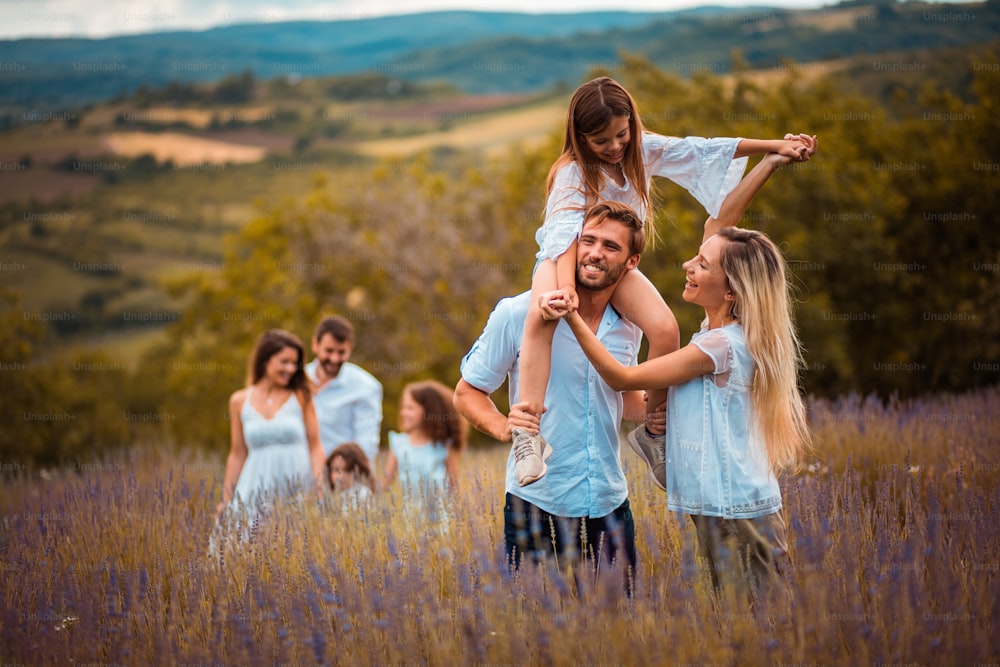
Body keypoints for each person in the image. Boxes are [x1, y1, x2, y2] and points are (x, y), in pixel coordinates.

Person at [513, 75, 815, 487]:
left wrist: (773, 147)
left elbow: (700, 149)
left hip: (613, 264)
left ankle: (654, 431)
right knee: (541, 312)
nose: (615, 146)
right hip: (565, 257)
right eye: (602, 141)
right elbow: (563, 234)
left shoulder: (640, 150)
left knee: (665, 327)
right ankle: (527, 434)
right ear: (581, 138)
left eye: (621, 134)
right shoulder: (572, 172)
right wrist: (566, 287)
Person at [552, 148, 814, 599]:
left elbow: (622, 377)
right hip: (722, 506)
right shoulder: (719, 331)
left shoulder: (719, 345)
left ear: (729, 291)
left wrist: (570, 313)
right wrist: (769, 162)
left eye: (702, 265)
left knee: (762, 621)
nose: (687, 266)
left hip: (736, 510)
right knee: (737, 618)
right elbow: (721, 222)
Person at [455, 200, 652, 593]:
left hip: (609, 502)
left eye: (611, 246)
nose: (595, 252)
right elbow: (467, 392)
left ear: (632, 262)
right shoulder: (516, 313)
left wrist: (667, 403)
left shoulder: (630, 324)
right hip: (536, 501)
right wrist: (504, 427)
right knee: (537, 633)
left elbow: (622, 400)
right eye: (588, 241)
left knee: (621, 627)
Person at [217, 329, 326, 520]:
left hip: (297, 488)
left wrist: (317, 488)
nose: (291, 369)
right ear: (265, 360)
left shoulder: (301, 397)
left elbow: (315, 446)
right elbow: (237, 454)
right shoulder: (239, 401)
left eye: (295, 363)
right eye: (284, 362)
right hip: (253, 486)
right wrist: (226, 500)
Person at [305, 316, 383, 466]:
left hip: (341, 477)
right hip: (297, 475)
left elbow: (366, 443)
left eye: (341, 352)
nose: (334, 359)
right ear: (315, 345)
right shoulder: (298, 380)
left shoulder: (365, 386)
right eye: (329, 351)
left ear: (350, 349)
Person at [381, 380, 466, 499]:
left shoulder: (444, 446)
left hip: (440, 515)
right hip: (410, 515)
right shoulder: (399, 443)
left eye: (410, 408)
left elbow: (454, 487)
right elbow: (385, 483)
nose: (403, 412)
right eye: (403, 407)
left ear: (429, 411)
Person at [325, 442, 375, 509]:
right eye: (336, 470)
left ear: (359, 471)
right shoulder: (331, 497)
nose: (340, 476)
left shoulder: (363, 494)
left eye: (347, 470)